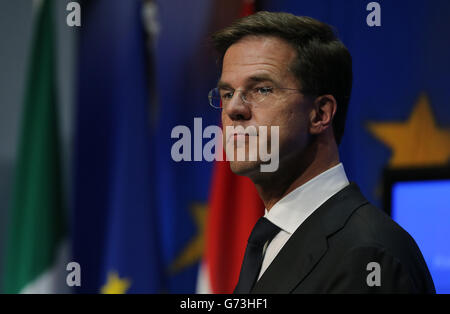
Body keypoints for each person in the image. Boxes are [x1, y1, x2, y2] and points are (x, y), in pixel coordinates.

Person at [208, 11, 435, 293]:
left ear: (320, 113)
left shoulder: (368, 255)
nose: (233, 109)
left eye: (262, 89)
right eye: (227, 93)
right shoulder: (271, 240)